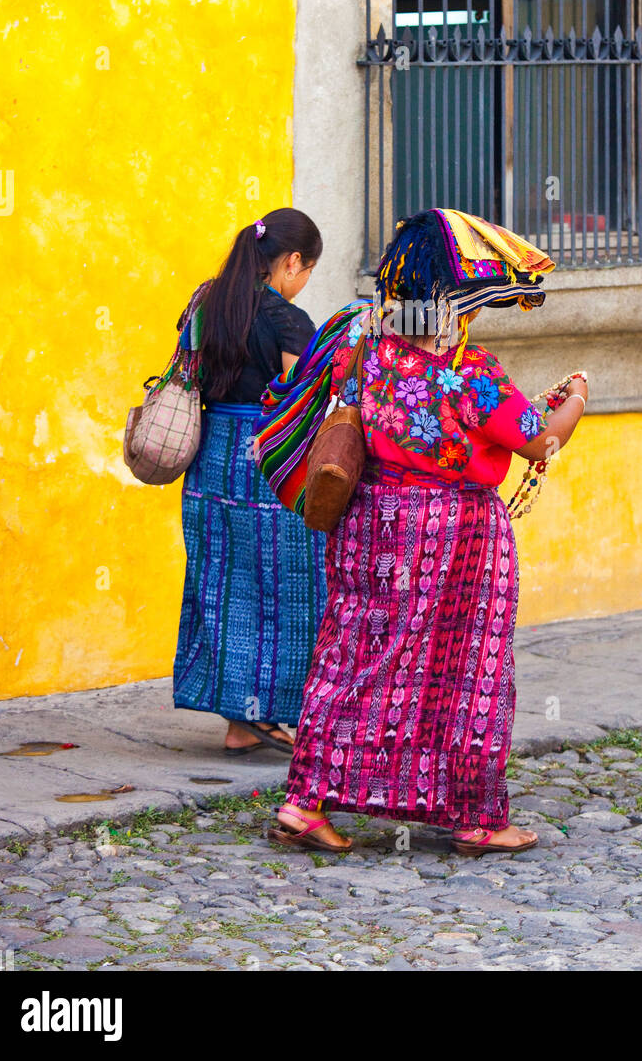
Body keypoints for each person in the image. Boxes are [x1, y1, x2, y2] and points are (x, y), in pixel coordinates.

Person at [268, 207, 588, 854]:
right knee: (464, 671)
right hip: (455, 539)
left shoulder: (363, 349)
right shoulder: (472, 374)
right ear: (457, 294)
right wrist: (575, 397)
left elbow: (298, 389)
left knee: (352, 657)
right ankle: (476, 816)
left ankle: (305, 803)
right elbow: (538, 442)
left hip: (369, 525)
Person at [173, 209, 327, 754]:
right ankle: (267, 714)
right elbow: (299, 401)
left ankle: (240, 722)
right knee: (289, 589)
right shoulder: (287, 320)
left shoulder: (204, 302)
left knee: (221, 585)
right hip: (267, 463)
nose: (304, 281)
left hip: (208, 461)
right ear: (290, 262)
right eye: (306, 269)